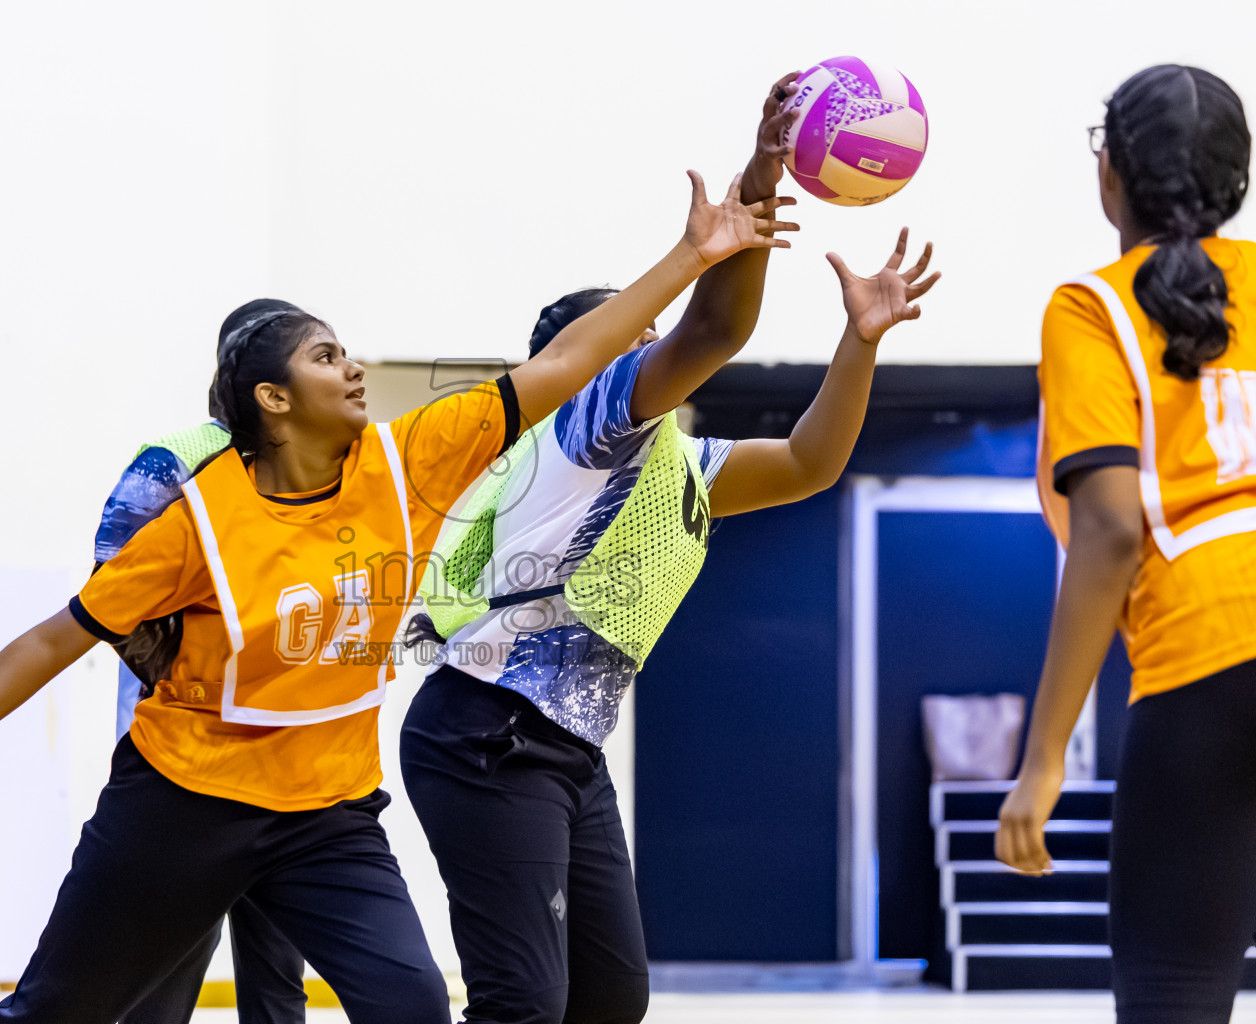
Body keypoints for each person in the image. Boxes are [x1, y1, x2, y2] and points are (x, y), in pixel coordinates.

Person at [0, 171, 797, 1024]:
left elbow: (566, 363)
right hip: (184, 799)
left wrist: (690, 252)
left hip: (327, 812)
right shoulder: (203, 520)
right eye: (327, 357)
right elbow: (55, 638)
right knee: (72, 1004)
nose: (354, 366)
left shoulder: (411, 462)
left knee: (411, 1005)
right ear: (272, 398)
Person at [399, 76, 939, 1024]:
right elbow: (716, 328)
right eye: (635, 334)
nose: (653, 342)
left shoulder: (676, 466)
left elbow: (812, 461)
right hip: (485, 731)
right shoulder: (575, 426)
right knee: (523, 1002)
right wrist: (765, 168)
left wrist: (858, 342)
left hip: (563, 744)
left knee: (611, 998)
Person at [995, 65, 1256, 1024]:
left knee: (1176, 996)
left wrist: (1045, 757)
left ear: (1108, 173)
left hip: (1210, 653)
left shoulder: (1093, 308)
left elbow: (1106, 531)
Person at [95, 299, 309, 1024]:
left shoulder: (326, 466)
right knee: (168, 953)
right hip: (186, 754)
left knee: (278, 967)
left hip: (291, 756)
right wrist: (194, 684)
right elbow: (111, 587)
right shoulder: (179, 457)